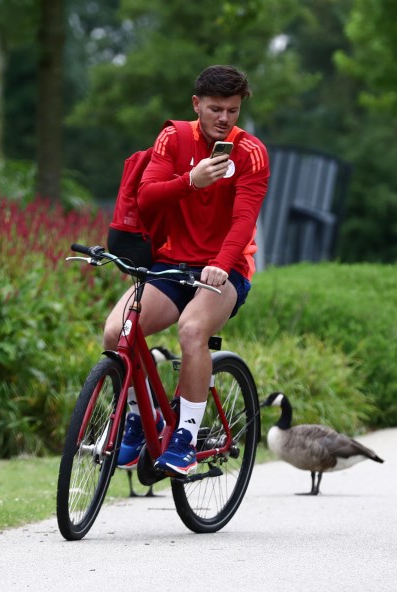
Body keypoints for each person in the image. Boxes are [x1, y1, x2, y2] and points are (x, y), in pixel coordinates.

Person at [103, 65, 270, 476]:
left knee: (193, 330)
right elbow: (146, 200)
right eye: (215, 109)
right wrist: (190, 181)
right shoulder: (173, 138)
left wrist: (219, 264)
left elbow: (243, 222)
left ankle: (186, 437)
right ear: (196, 104)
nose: (224, 119)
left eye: (232, 110)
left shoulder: (250, 153)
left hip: (225, 269)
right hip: (171, 264)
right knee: (117, 330)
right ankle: (143, 421)